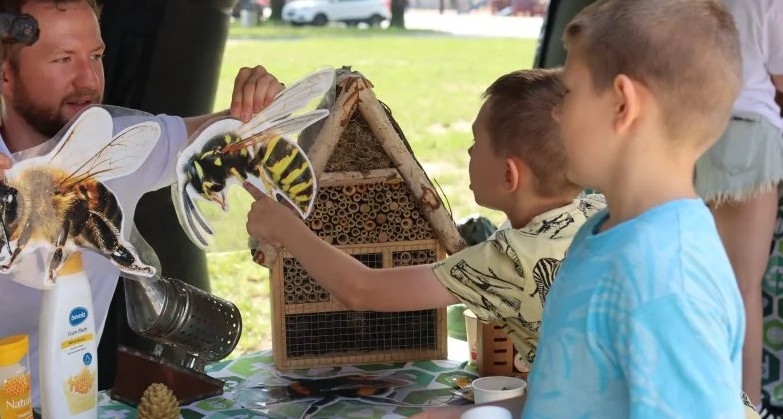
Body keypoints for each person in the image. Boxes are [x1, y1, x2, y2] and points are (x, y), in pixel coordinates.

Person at [385, 0, 751, 419]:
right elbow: (575, 393)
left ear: (623, 105)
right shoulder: (600, 232)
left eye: (570, 94)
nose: (557, 116)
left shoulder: (664, 274)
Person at [0, 0, 284, 419]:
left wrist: (260, 99)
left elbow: (233, 130)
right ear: (2, 75)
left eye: (96, 55)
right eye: (63, 60)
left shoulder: (118, 142)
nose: (89, 80)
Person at [245, 67, 606, 370]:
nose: (468, 151)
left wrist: (284, 227)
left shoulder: (504, 261)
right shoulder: (600, 213)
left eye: (476, 144)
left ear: (509, 176)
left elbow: (362, 289)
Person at [686, 0, 783, 412]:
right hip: (753, 144)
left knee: (694, 284)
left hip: (688, 143)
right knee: (744, 291)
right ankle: (743, 417)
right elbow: (782, 81)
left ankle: (694, 402)